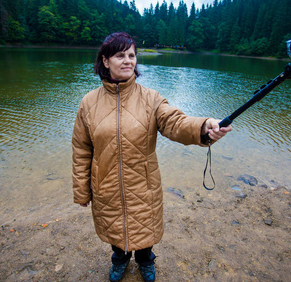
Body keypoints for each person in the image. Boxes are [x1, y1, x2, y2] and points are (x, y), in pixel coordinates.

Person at [72, 32, 232, 282]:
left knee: (144, 231)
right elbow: (82, 149)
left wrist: (204, 127)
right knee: (115, 232)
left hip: (143, 185)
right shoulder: (88, 103)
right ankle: (119, 259)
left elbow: (175, 123)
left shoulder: (151, 99)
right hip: (105, 186)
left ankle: (146, 261)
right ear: (105, 61)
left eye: (132, 55)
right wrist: (82, 191)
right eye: (120, 55)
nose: (128, 61)